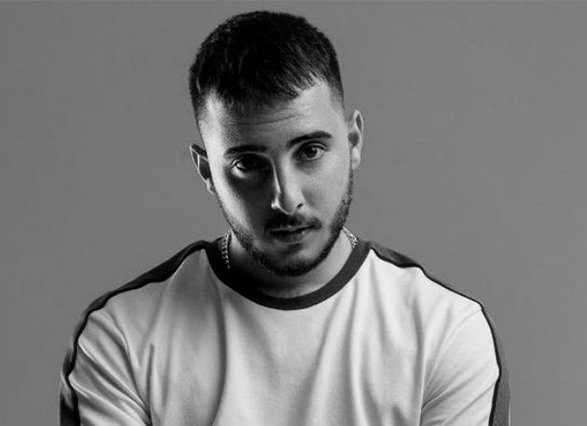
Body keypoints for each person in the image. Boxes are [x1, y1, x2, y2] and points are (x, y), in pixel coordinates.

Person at [59, 10, 509, 426]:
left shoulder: (445, 332)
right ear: (207, 171)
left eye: (310, 151)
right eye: (248, 164)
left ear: (353, 142)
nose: (285, 199)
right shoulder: (121, 337)